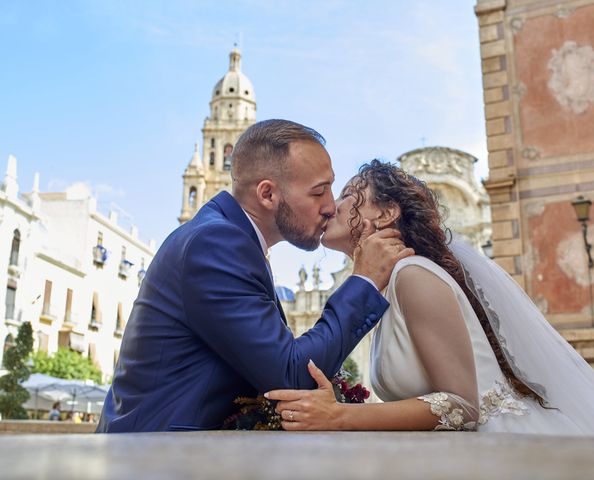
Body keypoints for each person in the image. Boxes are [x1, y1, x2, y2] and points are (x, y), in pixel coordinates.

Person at [266, 160, 594, 441]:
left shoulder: (412, 275)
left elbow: (462, 407)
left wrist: (338, 416)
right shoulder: (388, 285)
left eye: (348, 195)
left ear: (387, 213)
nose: (332, 206)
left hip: (509, 450)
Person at [96, 121, 413, 433]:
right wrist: (365, 280)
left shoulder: (227, 239)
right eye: (319, 192)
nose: (332, 207)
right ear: (267, 194)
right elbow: (290, 376)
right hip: (154, 460)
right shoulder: (216, 245)